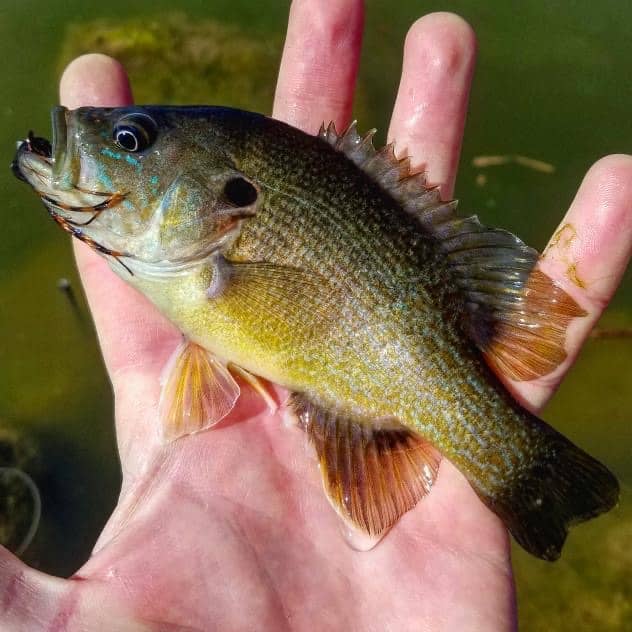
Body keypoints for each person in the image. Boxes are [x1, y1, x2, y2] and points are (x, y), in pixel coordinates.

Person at [2, 3, 631, 630]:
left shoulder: (203, 254)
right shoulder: (185, 254)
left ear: (222, 199)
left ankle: (517, 467)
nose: (102, 141)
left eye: (130, 141)